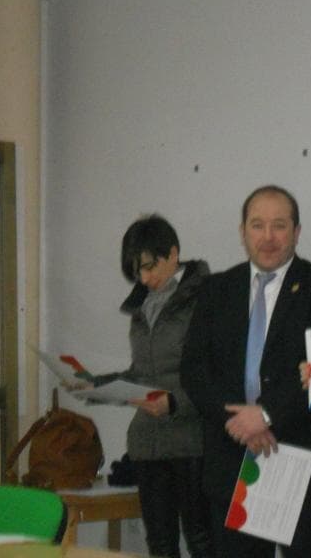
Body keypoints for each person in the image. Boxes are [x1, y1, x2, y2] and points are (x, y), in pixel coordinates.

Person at [180, 185, 311, 558]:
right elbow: (194, 369)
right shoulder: (216, 290)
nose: (268, 237)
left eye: (279, 226)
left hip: (304, 466)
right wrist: (239, 421)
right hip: (232, 462)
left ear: (297, 232)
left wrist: (267, 415)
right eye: (257, 225)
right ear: (242, 232)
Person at [89, 215, 213, 558]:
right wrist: (93, 386)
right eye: (136, 271)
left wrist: (174, 403)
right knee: (159, 544)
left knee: (202, 541)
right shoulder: (142, 305)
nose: (144, 278)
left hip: (192, 441)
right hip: (147, 443)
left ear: (173, 254)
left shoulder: (205, 297)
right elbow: (142, 373)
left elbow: (215, 375)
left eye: (148, 267)